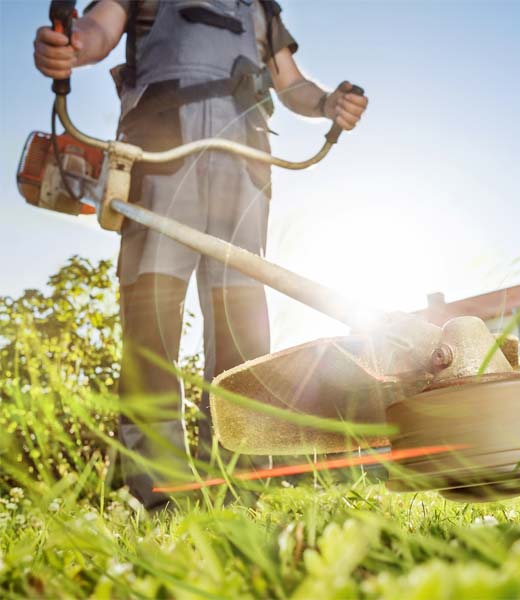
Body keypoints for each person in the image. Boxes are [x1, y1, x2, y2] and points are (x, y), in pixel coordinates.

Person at [33, 0, 368, 509]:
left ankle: (243, 494)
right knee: (152, 327)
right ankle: (159, 499)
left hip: (245, 159)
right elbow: (97, 29)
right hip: (161, 150)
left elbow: (291, 82)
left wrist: (327, 104)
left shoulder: (260, 7)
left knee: (244, 334)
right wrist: (72, 48)